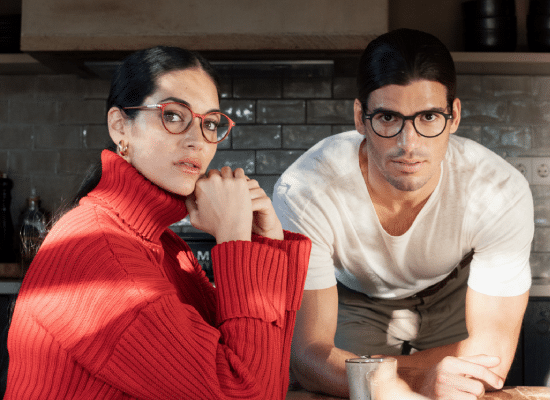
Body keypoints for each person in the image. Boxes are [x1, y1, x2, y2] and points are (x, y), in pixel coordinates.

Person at [5, 46, 311, 400]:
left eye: (209, 123)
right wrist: (234, 241)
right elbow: (247, 392)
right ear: (121, 127)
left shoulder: (165, 249)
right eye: (174, 116)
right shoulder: (98, 252)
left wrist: (267, 242)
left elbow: (266, 368)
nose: (197, 140)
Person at [273, 28, 533, 399]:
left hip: (452, 293)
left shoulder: (499, 190)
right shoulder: (305, 191)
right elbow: (310, 358)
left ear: (454, 116)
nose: (407, 145)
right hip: (355, 297)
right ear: (360, 117)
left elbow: (491, 358)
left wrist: (370, 372)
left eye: (428, 117)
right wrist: (406, 381)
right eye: (388, 118)